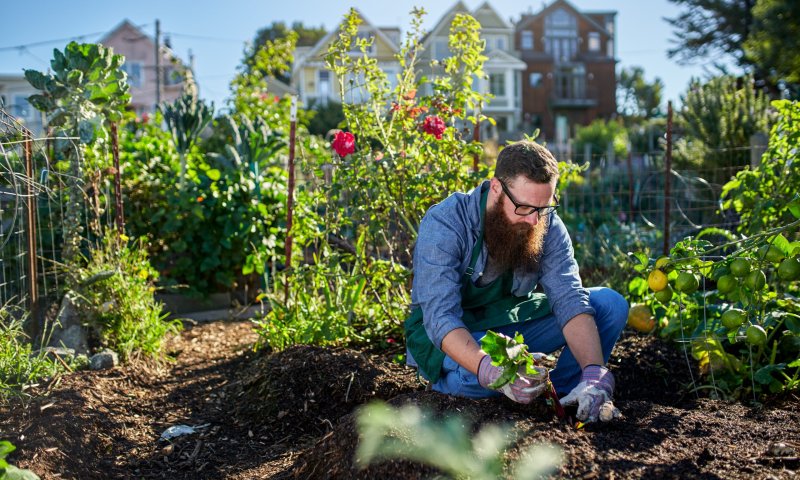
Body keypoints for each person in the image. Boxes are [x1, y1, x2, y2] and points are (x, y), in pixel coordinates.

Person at [404, 140, 628, 423]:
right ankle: (452, 387)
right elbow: (440, 318)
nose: (535, 220)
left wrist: (594, 372)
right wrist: (489, 369)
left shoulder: (545, 223)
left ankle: (567, 396)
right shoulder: (446, 223)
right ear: (496, 188)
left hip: (508, 324)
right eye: (523, 207)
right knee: (475, 379)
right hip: (453, 334)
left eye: (543, 208)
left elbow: (569, 297)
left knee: (609, 305)